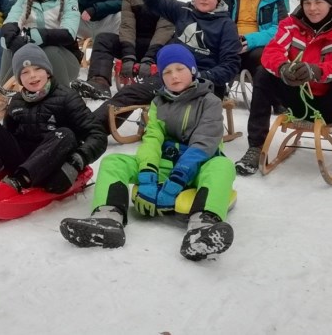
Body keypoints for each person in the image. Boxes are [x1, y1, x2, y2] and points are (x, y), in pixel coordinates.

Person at [59, 44, 236, 260]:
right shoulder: (158, 103)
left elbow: (204, 142)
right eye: (167, 72)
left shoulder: (210, 102)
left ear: (192, 70)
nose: (174, 76)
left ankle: (203, 229)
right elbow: (152, 138)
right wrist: (148, 173)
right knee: (114, 162)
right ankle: (107, 220)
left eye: (180, 69)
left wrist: (179, 178)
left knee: (223, 166)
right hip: (165, 164)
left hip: (198, 167)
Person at [234, 0, 332, 189]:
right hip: (297, 97)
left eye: (318, 2)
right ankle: (256, 147)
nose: (312, 8)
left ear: (330, 3)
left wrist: (318, 71)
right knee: (264, 73)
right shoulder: (290, 25)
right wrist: (283, 68)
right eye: (307, 2)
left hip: (330, 103)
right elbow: (272, 51)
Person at [83, 0, 240, 132]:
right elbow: (153, 2)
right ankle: (91, 129)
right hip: (172, 75)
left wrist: (203, 75)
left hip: (204, 83)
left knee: (181, 117)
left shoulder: (226, 25)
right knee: (130, 93)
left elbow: (231, 65)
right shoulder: (183, 11)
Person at [0, 43, 107, 194]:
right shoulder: (17, 100)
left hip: (51, 163)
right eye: (25, 72)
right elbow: (6, 134)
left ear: (48, 71)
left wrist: (75, 163)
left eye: (38, 69)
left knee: (65, 133)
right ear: (19, 78)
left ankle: (20, 180)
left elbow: (98, 135)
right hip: (21, 159)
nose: (32, 76)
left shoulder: (67, 97)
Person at [71, 0, 175, 99]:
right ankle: (99, 82)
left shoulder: (168, 1)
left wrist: (150, 58)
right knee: (103, 39)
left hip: (158, 48)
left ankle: (164, 85)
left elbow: (164, 30)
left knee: (176, 45)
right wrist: (128, 55)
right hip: (132, 44)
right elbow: (127, 26)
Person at [0, 0, 82, 88]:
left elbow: (69, 33)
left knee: (50, 50)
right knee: (11, 45)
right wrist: (9, 34)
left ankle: (62, 95)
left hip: (65, 61)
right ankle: (4, 92)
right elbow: (12, 18)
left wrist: (39, 36)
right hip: (34, 58)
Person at [222, 0, 287, 75]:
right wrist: (231, 39)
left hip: (257, 47)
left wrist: (251, 40)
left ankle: (261, 92)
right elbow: (218, 22)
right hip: (230, 46)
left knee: (262, 57)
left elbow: (281, 29)